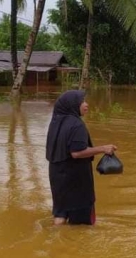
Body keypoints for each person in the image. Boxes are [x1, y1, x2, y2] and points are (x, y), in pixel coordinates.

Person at [45, 90, 117, 225]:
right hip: (75, 176)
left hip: (56, 174)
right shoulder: (76, 125)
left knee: (60, 213)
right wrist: (103, 149)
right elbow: (77, 153)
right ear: (73, 105)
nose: (86, 105)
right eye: (82, 102)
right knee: (82, 221)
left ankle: (55, 240)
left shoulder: (55, 122)